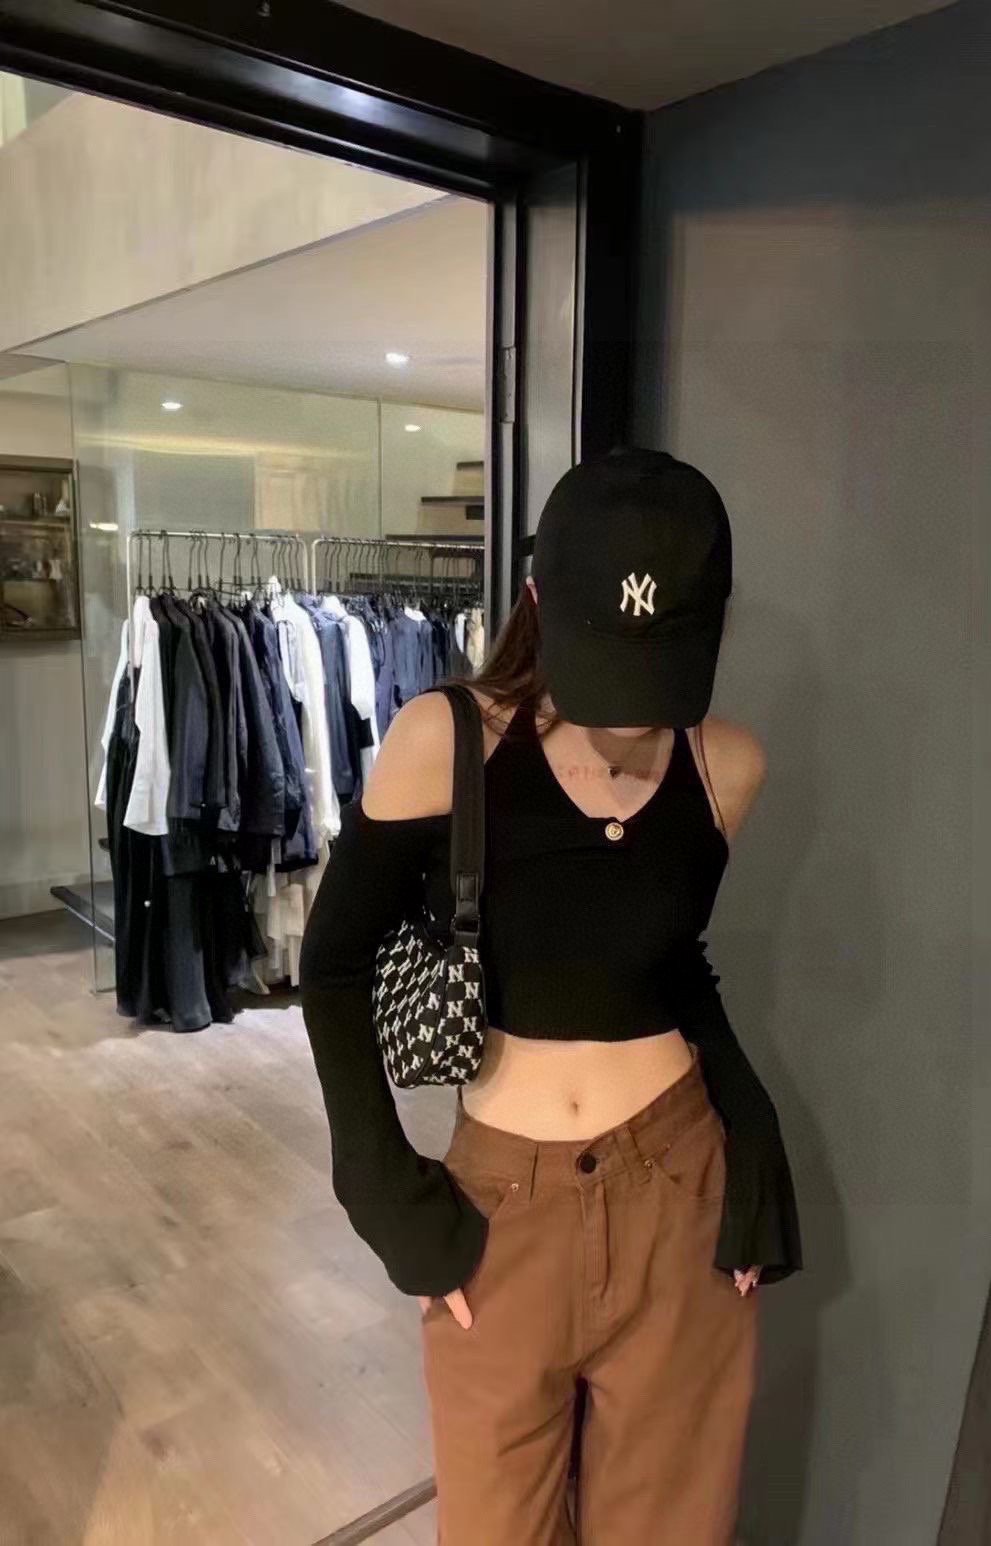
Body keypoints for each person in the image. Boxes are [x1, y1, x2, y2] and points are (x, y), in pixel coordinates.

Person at [299, 448, 802, 1546]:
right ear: (536, 599)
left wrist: (754, 1139)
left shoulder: (727, 766)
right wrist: (384, 1194)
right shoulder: (447, 742)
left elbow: (669, 965)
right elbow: (331, 968)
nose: (631, 712)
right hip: (501, 1214)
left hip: (679, 1196)